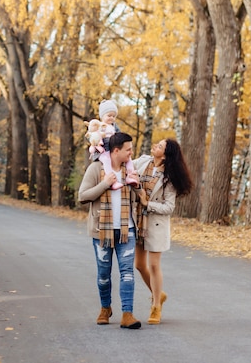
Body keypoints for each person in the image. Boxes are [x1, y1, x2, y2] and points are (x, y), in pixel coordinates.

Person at [78, 132, 142, 329]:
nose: (131, 153)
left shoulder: (130, 170)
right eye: (128, 149)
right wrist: (105, 184)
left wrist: (137, 186)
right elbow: (82, 196)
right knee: (104, 275)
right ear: (116, 151)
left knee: (127, 272)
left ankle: (127, 314)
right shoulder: (96, 169)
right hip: (102, 231)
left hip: (126, 230)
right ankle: (105, 308)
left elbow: (139, 198)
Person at [133, 139, 193, 325]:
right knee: (139, 265)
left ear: (166, 155)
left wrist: (146, 203)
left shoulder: (169, 177)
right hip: (138, 221)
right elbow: (124, 167)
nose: (155, 146)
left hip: (155, 224)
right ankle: (158, 293)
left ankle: (156, 306)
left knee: (154, 265)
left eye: (159, 146)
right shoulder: (143, 162)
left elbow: (169, 207)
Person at [88, 100, 137, 189]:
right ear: (102, 116)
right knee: (106, 161)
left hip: (113, 148)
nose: (112, 118)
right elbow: (92, 136)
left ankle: (130, 175)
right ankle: (113, 181)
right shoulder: (98, 125)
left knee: (128, 158)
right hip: (103, 150)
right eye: (109, 115)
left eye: (114, 116)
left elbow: (120, 136)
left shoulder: (114, 126)